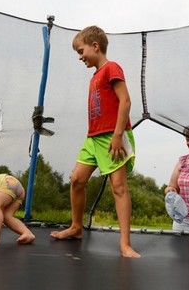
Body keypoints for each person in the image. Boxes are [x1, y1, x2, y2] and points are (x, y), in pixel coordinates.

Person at [50, 25, 141, 258]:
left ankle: (125, 244)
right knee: (76, 180)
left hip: (113, 136)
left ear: (95, 46)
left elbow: (126, 101)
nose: (80, 57)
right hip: (93, 138)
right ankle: (76, 227)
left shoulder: (112, 68)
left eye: (81, 51)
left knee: (118, 187)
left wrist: (118, 135)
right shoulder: (94, 77)